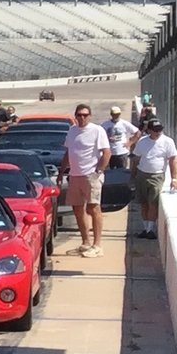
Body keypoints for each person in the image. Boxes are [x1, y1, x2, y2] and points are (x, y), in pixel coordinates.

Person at [64, 102, 112, 257]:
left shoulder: (97, 130)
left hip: (91, 175)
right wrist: (61, 172)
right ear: (75, 116)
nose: (82, 118)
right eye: (79, 115)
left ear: (90, 116)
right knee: (77, 209)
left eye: (85, 115)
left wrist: (99, 171)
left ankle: (97, 245)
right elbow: (68, 152)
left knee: (93, 208)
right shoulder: (72, 131)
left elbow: (107, 153)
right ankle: (86, 242)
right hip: (75, 175)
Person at [130, 115, 177, 239]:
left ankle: (150, 229)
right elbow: (136, 159)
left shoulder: (168, 141)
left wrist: (174, 179)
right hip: (142, 174)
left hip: (157, 175)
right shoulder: (143, 141)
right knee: (143, 203)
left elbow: (173, 159)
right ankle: (145, 228)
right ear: (149, 130)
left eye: (159, 130)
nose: (158, 133)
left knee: (153, 202)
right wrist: (133, 175)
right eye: (155, 130)